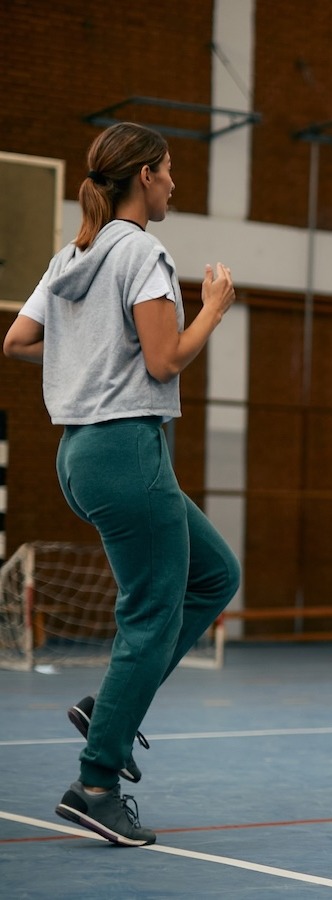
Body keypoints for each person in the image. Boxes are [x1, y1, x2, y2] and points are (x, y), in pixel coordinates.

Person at [3, 122, 241, 846]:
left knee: (215, 575)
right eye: (167, 172)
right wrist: (214, 309)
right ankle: (96, 781)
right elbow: (165, 360)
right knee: (150, 615)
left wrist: (81, 355)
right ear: (143, 176)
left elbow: (15, 342)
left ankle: (111, 704)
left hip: (79, 455)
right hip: (128, 451)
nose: (173, 183)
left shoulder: (72, 254)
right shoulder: (142, 251)